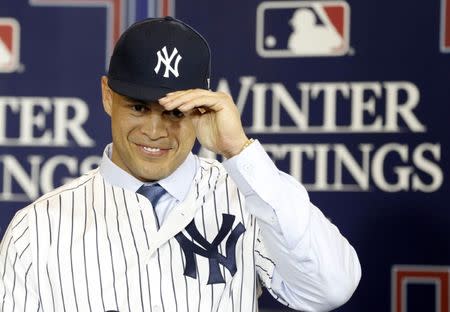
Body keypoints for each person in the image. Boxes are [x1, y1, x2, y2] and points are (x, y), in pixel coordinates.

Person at [0, 16, 361, 311]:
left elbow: (330, 288)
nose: (156, 131)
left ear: (203, 107)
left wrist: (239, 150)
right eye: (139, 108)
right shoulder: (37, 228)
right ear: (107, 96)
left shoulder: (247, 195)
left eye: (175, 111)